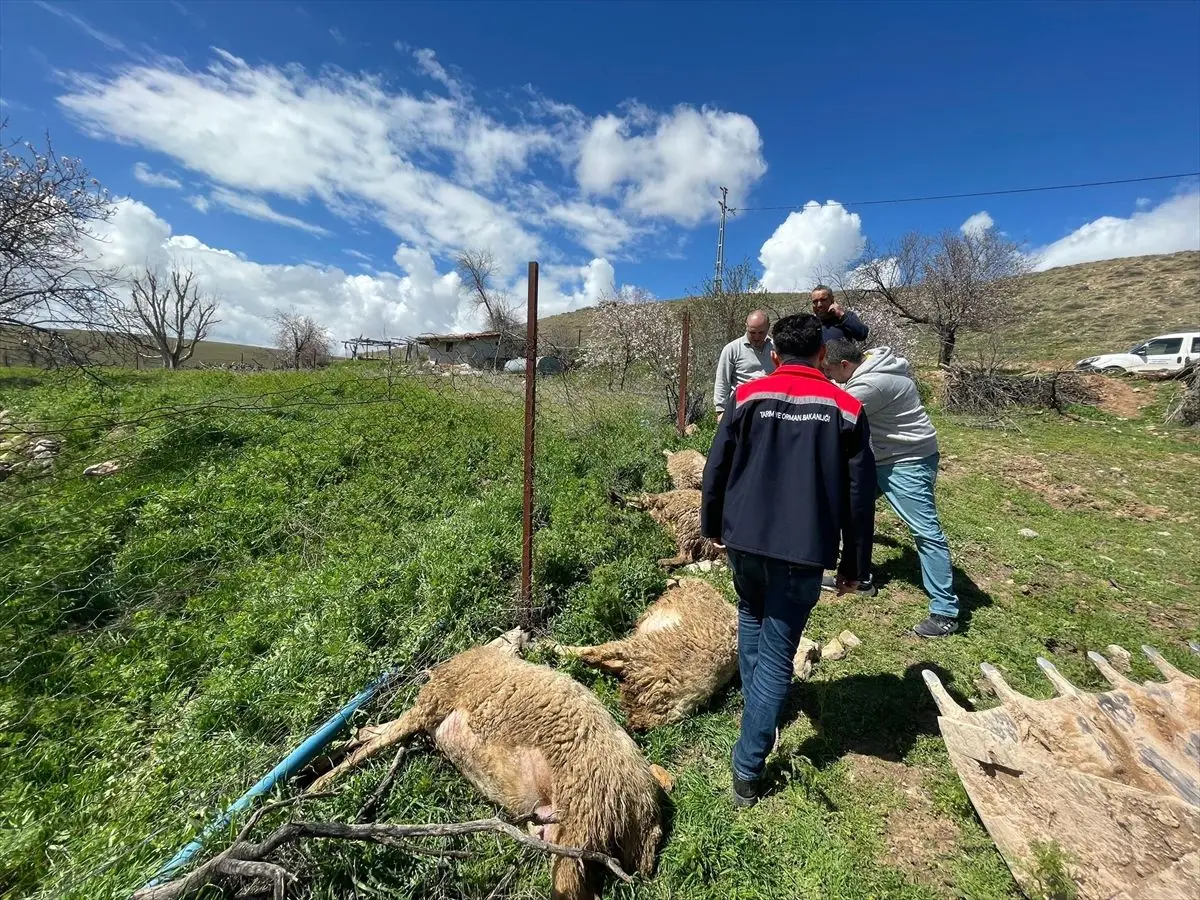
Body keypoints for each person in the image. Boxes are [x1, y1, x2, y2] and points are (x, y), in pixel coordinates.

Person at [701, 314, 875, 807]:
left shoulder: (745, 397)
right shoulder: (846, 406)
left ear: (775, 356)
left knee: (752, 616)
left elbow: (716, 467)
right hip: (803, 551)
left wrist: (711, 525)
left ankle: (760, 710)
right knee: (777, 650)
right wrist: (853, 565)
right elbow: (860, 496)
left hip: (745, 542)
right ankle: (747, 767)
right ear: (823, 355)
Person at [822, 339, 960, 638]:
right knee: (852, 510)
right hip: (881, 456)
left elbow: (832, 413)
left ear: (845, 365)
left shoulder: (870, 385)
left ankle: (945, 611)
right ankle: (859, 577)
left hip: (907, 459)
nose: (830, 376)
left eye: (830, 370)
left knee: (925, 530)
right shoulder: (870, 364)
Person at [712, 310, 774, 422]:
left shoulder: (776, 348)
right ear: (746, 326)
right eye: (752, 332)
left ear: (768, 327)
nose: (756, 337)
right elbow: (722, 380)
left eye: (761, 333)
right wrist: (721, 411)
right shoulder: (732, 349)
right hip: (741, 408)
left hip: (770, 408)